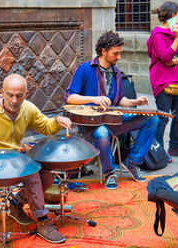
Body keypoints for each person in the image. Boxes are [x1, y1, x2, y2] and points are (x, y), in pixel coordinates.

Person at [0, 74, 72, 244]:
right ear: (1, 92)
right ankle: (42, 222)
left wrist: (57, 120)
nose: (14, 100)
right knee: (31, 173)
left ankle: (16, 204)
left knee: (47, 175)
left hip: (13, 158)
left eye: (19, 95)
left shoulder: (28, 108)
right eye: (9, 95)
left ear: (27, 94)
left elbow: (45, 126)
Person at [65, 30, 159, 190]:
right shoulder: (85, 68)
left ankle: (133, 162)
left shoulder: (115, 72)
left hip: (112, 120)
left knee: (152, 119)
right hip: (91, 123)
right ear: (104, 51)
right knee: (101, 133)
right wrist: (93, 99)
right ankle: (110, 173)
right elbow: (69, 97)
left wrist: (135, 102)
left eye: (120, 53)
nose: (119, 57)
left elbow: (119, 99)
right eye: (116, 53)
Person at [146, 1, 178, 160]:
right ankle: (159, 150)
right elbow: (165, 56)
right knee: (163, 117)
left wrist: (174, 61)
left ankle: (175, 146)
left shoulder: (175, 34)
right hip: (162, 81)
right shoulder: (158, 34)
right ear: (172, 15)